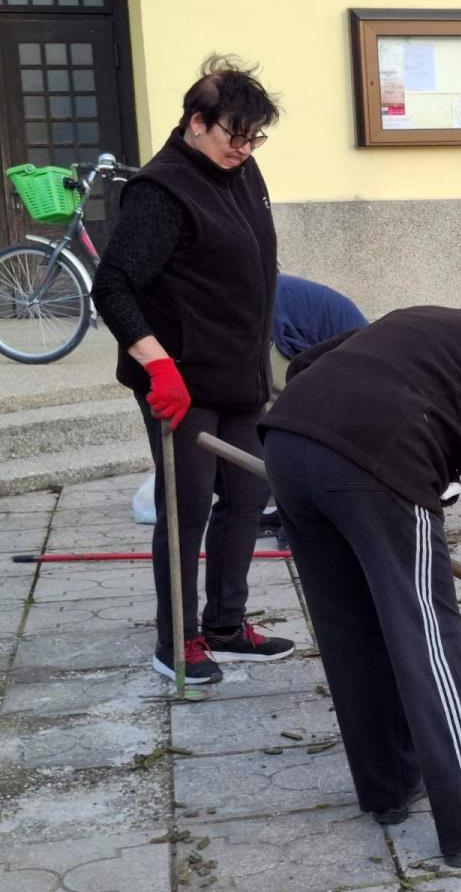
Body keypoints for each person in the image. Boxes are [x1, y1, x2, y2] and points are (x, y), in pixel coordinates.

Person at [259, 267, 461, 867]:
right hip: (378, 467)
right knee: (429, 639)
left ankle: (389, 787)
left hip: (287, 445)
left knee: (353, 631)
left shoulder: (427, 316)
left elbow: (305, 367)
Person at [91, 56, 294, 684]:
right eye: (236, 135)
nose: (246, 148)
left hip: (240, 373)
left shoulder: (240, 168)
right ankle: (176, 643)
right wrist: (156, 366)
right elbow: (114, 285)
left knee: (248, 496)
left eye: (255, 137)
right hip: (182, 382)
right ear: (196, 122)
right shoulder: (162, 191)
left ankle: (226, 626)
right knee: (186, 510)